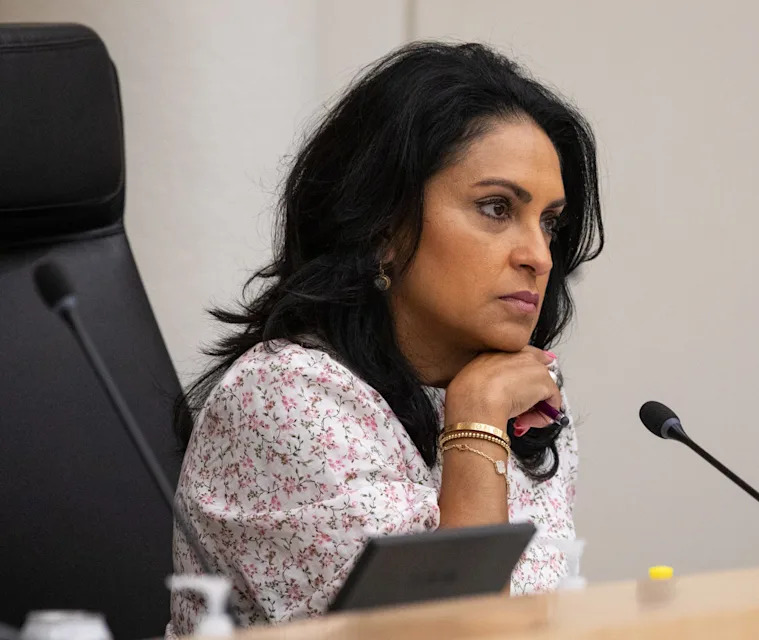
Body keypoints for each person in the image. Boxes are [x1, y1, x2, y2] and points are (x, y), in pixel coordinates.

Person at [168, 41, 603, 635]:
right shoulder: (284, 401)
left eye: (548, 222)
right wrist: (474, 423)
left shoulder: (515, 389)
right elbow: (449, 635)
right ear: (383, 227)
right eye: (497, 208)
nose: (538, 256)